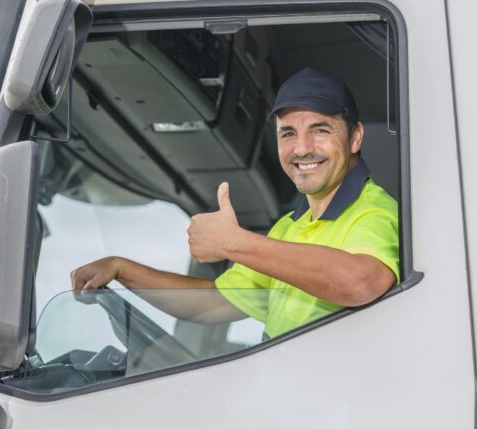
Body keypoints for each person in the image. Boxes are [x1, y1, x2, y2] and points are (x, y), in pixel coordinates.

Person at [71, 68, 399, 338]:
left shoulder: (374, 211)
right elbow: (212, 304)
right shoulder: (288, 228)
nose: (301, 149)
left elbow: (361, 282)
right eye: (288, 134)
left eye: (320, 130)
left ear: (355, 137)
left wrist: (233, 243)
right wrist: (121, 267)